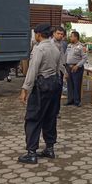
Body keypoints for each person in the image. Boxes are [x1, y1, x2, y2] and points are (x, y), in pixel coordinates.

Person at [18, 23, 62, 164]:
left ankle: (31, 153)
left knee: (33, 118)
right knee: (50, 117)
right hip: (54, 86)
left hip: (41, 87)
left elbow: (32, 71)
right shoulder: (55, 48)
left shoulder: (39, 49)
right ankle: (49, 148)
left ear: (38, 34)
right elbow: (59, 68)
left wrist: (25, 89)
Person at [65, 31, 87, 107]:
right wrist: (65, 67)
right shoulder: (69, 46)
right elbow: (66, 56)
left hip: (77, 68)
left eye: (71, 36)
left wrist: (77, 65)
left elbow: (84, 58)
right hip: (68, 67)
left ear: (76, 37)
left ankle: (77, 101)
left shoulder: (81, 46)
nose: (70, 38)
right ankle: (70, 100)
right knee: (69, 84)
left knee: (77, 84)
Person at [51, 27, 67, 115]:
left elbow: (62, 59)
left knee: (58, 93)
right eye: (58, 33)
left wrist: (65, 72)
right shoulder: (50, 44)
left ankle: (56, 112)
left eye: (62, 34)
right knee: (51, 93)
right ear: (54, 33)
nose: (60, 35)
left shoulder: (62, 44)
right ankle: (51, 112)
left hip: (60, 71)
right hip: (52, 72)